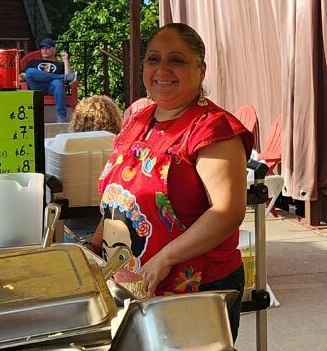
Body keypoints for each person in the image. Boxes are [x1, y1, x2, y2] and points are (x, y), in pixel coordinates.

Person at [88, 23, 254, 334]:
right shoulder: (139, 120)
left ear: (200, 69)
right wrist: (92, 248)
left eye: (176, 60)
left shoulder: (213, 129)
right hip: (132, 283)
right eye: (153, 59)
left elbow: (227, 212)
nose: (162, 69)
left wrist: (165, 259)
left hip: (196, 291)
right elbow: (119, 199)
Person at [21, 37, 74, 122]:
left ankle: (61, 118)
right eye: (42, 48)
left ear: (54, 49)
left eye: (48, 48)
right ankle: (59, 77)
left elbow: (69, 79)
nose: (44, 50)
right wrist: (26, 75)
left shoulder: (59, 65)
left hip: (52, 88)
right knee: (30, 71)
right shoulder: (34, 62)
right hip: (37, 86)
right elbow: (23, 75)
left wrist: (65, 60)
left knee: (57, 83)